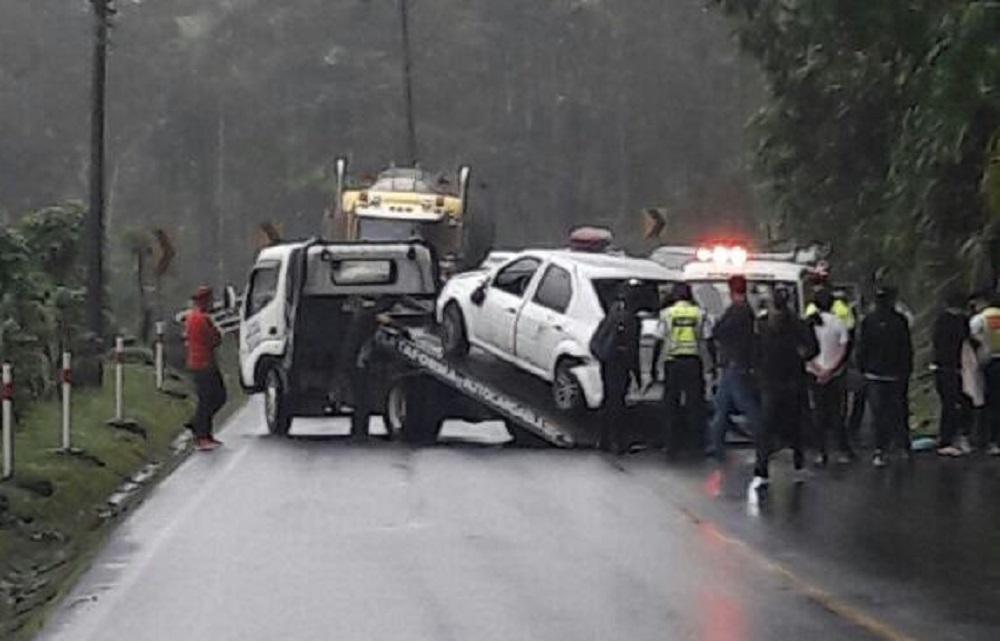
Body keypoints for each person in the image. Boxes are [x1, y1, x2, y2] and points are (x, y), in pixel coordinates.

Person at [751, 287, 818, 493]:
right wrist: (801, 357)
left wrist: (758, 369)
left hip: (770, 381)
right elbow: (813, 349)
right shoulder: (798, 324)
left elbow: (754, 350)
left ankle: (762, 470)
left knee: (766, 426)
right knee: (795, 424)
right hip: (793, 380)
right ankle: (798, 464)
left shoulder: (762, 325)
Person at [858, 284, 913, 467]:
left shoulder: (869, 320)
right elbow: (906, 348)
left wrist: (863, 368)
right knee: (898, 411)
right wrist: (907, 370)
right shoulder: (899, 321)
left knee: (879, 414)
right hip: (895, 374)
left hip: (875, 374)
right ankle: (902, 447)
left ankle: (880, 450)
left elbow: (862, 347)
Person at [707, 275, 760, 462]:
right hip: (736, 363)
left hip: (734, 363)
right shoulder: (747, 311)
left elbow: (719, 331)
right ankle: (716, 444)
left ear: (731, 291)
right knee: (721, 405)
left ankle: (763, 441)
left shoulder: (737, 310)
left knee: (746, 406)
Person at [658, 282, 709, 456]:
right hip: (693, 362)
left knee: (671, 404)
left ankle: (671, 444)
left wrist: (654, 366)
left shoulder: (667, 314)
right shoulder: (700, 313)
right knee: (695, 404)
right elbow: (705, 339)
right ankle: (696, 444)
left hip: (673, 362)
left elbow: (660, 338)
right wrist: (711, 366)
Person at [590, 280, 641, 454]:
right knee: (618, 402)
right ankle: (618, 441)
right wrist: (637, 373)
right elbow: (632, 347)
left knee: (608, 399)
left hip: (607, 361)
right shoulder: (631, 319)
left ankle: (603, 440)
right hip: (619, 363)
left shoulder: (612, 313)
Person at [806, 288, 853, 465]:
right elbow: (843, 348)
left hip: (814, 373)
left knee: (818, 412)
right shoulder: (838, 323)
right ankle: (842, 450)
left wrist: (818, 369)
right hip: (835, 374)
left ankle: (820, 451)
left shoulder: (809, 323)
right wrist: (831, 370)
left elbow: (804, 350)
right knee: (836, 412)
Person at [185, 286, 227, 452]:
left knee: (210, 398)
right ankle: (201, 433)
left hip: (196, 363)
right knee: (213, 398)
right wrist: (218, 332)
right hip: (205, 363)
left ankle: (201, 428)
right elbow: (214, 339)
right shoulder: (203, 319)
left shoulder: (191, 318)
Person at [931, 290, 972, 456]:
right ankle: (953, 437)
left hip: (944, 367)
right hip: (958, 368)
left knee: (950, 404)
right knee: (957, 404)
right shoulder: (961, 321)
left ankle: (948, 437)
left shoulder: (941, 321)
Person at [970, 292, 1000, 456]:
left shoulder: (980, 319)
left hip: (986, 362)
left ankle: (984, 439)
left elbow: (972, 336)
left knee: (986, 401)